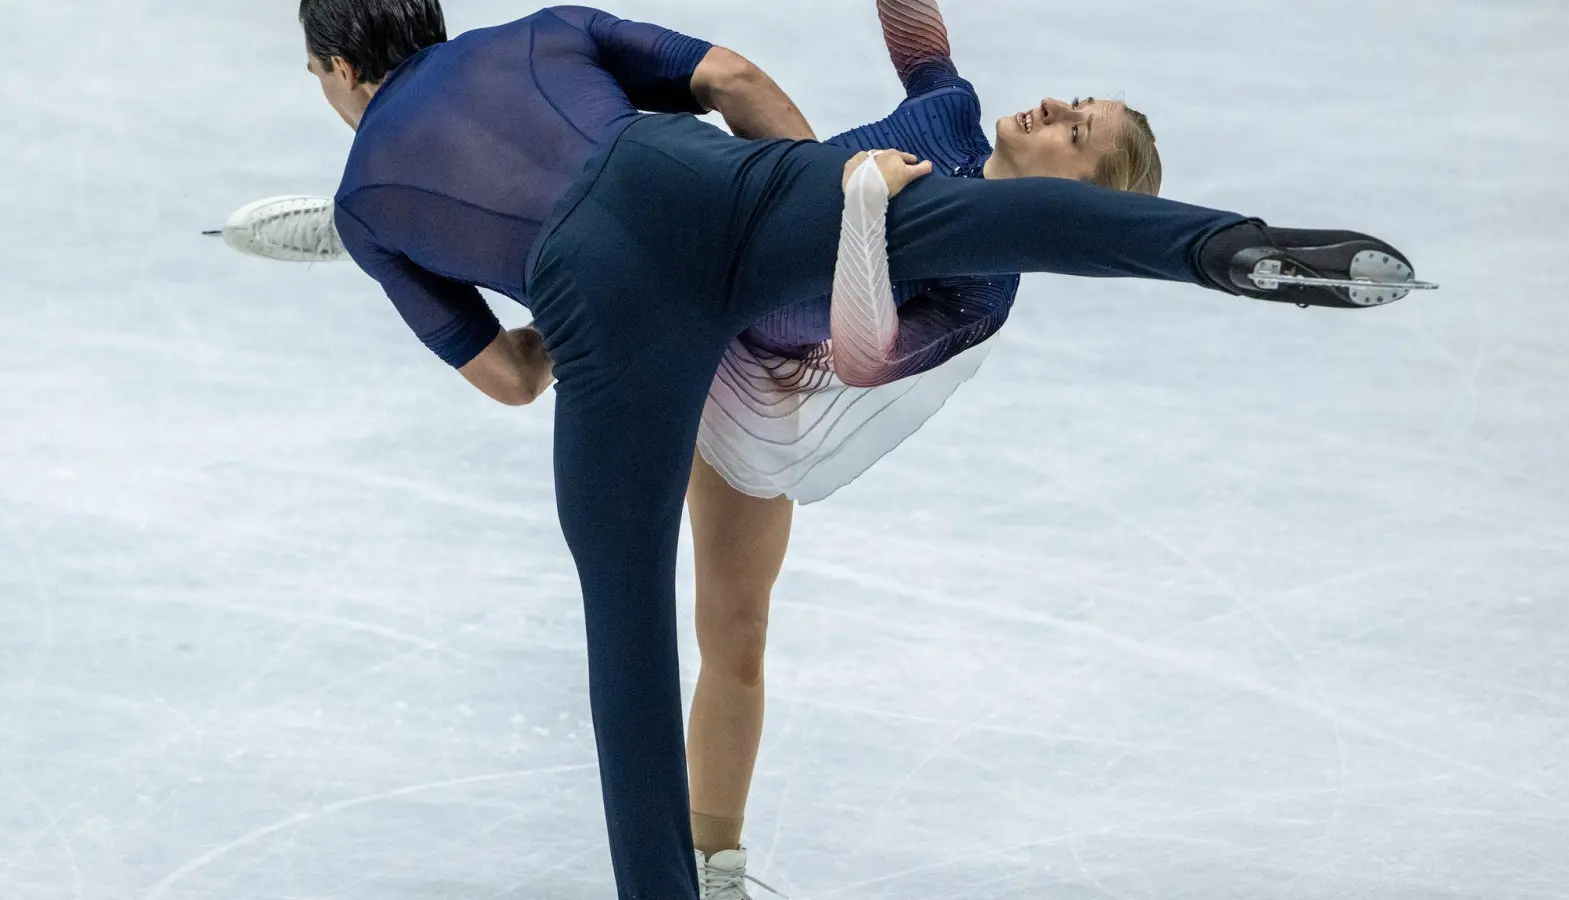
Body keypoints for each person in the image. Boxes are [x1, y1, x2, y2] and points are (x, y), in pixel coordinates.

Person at [252, 1, 1425, 897]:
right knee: (974, 222)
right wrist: (805, 192)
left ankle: (671, 880)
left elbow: (524, 381)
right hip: (737, 208)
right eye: (1074, 102)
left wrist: (589, 295)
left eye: (1082, 129)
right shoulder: (546, 29)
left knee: (626, 617)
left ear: (339, 69)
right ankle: (1228, 248)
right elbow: (752, 75)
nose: (1058, 109)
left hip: (728, 353)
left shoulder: (974, 295)